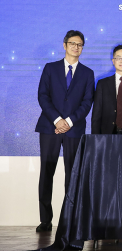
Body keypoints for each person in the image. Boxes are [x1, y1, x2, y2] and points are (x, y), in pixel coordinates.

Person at [35, 30, 95, 232]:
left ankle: (69, 219)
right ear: (64, 45)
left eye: (79, 44)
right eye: (72, 43)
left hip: (74, 129)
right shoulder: (50, 68)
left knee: (73, 174)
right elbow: (43, 96)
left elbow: (87, 103)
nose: (76, 47)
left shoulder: (88, 73)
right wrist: (57, 119)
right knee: (47, 172)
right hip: (49, 127)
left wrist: (68, 121)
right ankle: (45, 219)